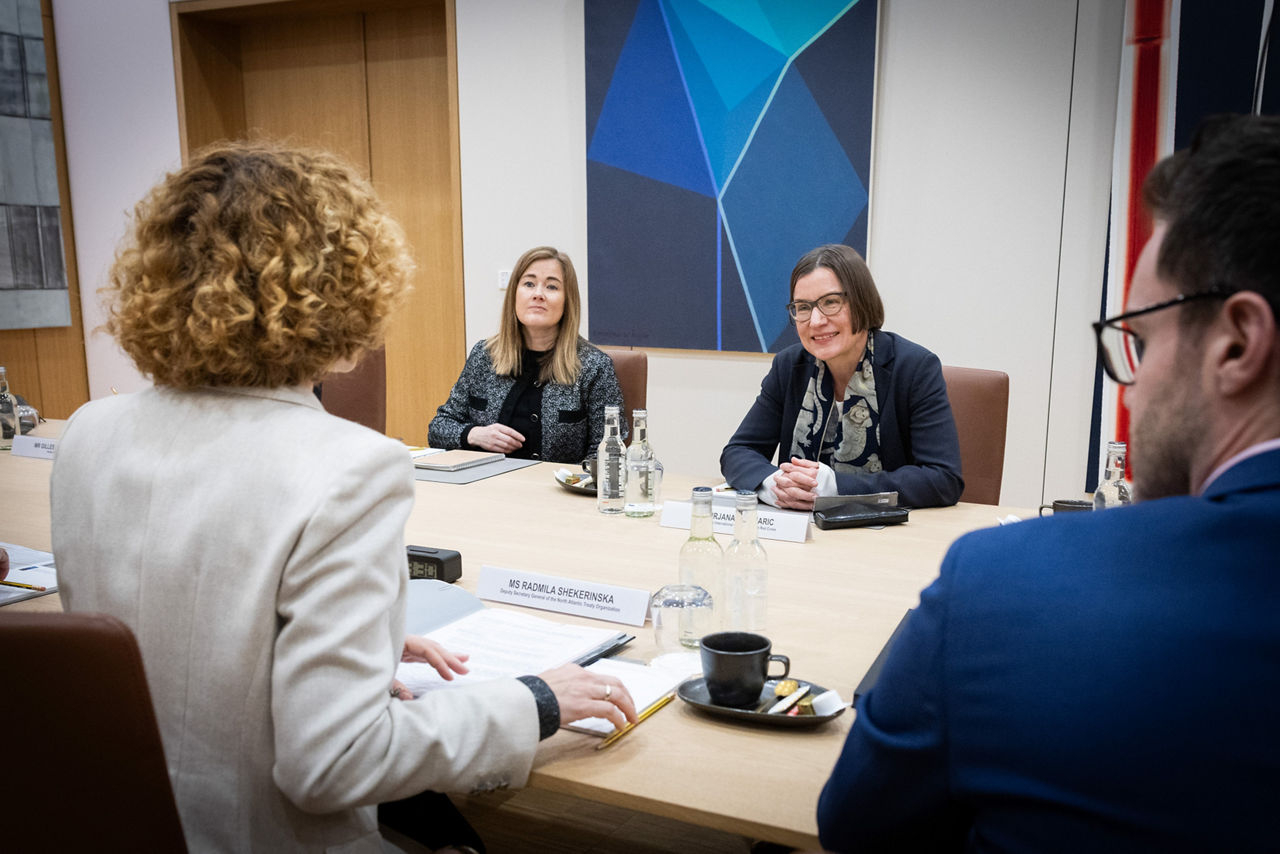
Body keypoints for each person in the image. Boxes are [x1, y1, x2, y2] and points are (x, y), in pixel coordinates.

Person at [49, 142, 635, 853]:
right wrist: (532, 702)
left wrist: (353, 643)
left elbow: (181, 632)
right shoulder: (349, 467)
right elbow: (332, 763)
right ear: (346, 289)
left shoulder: (88, 432)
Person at [817, 114, 1280, 852]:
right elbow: (741, 449)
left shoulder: (1003, 586)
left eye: (1140, 339)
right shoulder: (794, 372)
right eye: (804, 308)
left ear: (1237, 343)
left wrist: (831, 481)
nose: (1129, 387)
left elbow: (856, 825)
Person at [720, 244, 962, 509]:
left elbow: (943, 479)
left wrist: (836, 487)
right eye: (803, 307)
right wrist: (773, 484)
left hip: (884, 536)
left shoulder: (914, 367)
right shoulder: (789, 366)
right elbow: (738, 452)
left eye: (830, 303)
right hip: (802, 531)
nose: (815, 320)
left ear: (861, 301)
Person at [429, 247, 625, 463]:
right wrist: (474, 434)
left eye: (551, 286)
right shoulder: (484, 355)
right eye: (529, 284)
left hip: (558, 493)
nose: (538, 294)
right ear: (515, 293)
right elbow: (439, 428)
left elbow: (609, 452)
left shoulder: (594, 366)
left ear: (567, 301)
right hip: (485, 489)